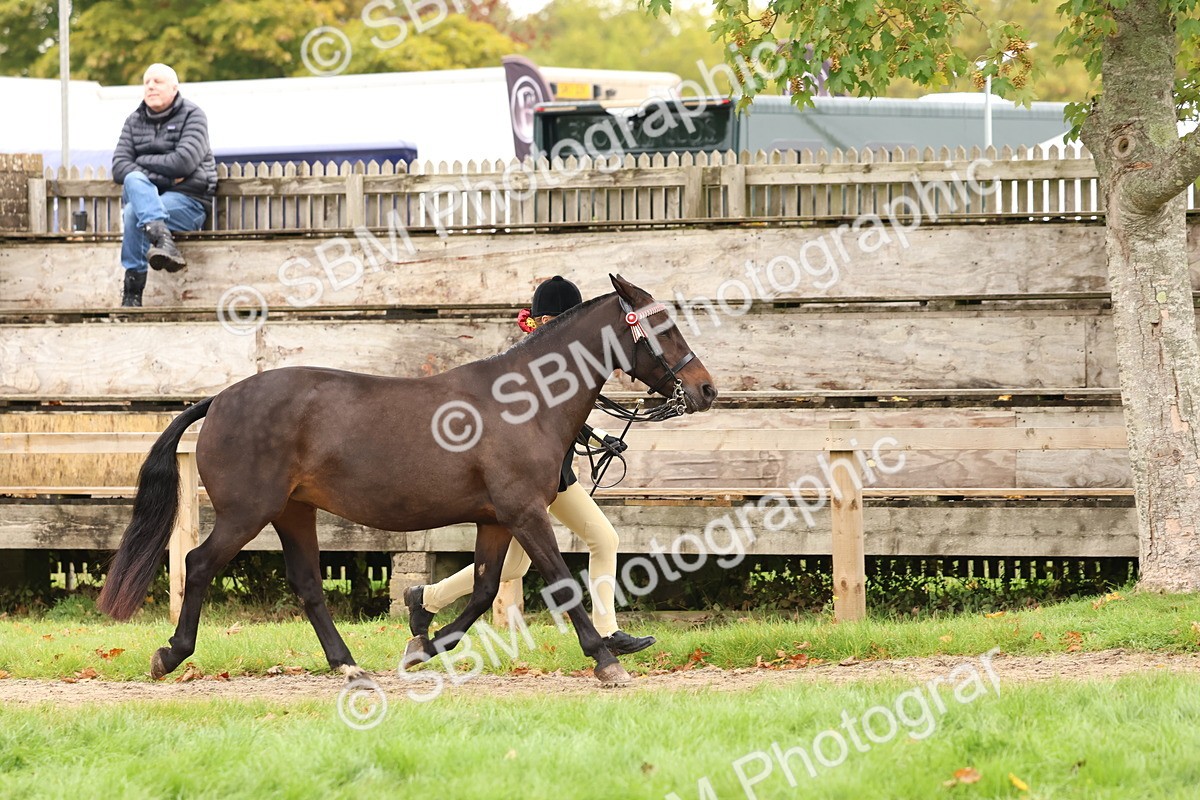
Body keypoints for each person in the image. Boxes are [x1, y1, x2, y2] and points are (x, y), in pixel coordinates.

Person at [405, 276, 656, 656]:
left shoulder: (572, 364)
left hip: (556, 480)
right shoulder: (523, 369)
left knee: (596, 541)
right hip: (523, 482)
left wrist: (599, 440)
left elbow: (569, 422)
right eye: (553, 321)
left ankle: (607, 631)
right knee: (513, 568)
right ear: (538, 324)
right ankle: (426, 597)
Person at [112, 63, 216, 307]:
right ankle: (163, 240)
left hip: (188, 202)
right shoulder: (133, 120)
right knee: (132, 183)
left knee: (133, 212)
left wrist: (142, 162)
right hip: (152, 203)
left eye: (157, 81)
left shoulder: (194, 115)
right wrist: (164, 177)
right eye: (146, 82)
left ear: (174, 87)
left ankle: (131, 297)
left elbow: (182, 163)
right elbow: (119, 167)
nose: (150, 86)